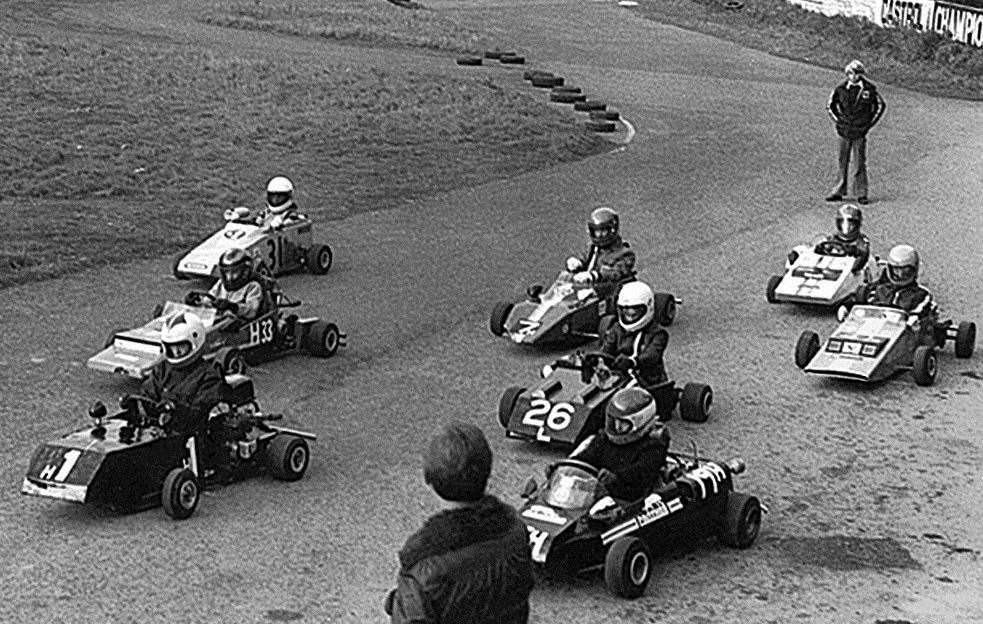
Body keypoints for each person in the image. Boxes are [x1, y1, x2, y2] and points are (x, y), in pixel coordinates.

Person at [385, 422, 534, 624]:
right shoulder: (515, 531)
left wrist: (400, 602)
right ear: (487, 472)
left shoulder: (421, 571)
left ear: (430, 481)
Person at [571, 387, 671, 502]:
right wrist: (568, 468)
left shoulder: (653, 446)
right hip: (602, 490)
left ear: (641, 421)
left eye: (622, 424)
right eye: (613, 422)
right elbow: (588, 457)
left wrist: (615, 478)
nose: (616, 428)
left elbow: (640, 474)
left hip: (630, 498)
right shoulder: (605, 439)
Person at [141, 311, 226, 436]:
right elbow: (148, 395)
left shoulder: (208, 377)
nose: (176, 353)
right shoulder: (162, 369)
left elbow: (199, 413)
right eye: (171, 348)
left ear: (195, 342)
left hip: (188, 436)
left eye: (180, 348)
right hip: (160, 430)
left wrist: (174, 408)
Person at [599, 280, 673, 416]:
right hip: (618, 374)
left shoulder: (658, 334)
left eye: (634, 312)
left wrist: (633, 362)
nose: (629, 315)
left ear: (648, 308)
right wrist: (600, 360)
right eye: (626, 311)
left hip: (646, 379)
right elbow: (606, 350)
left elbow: (652, 355)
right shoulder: (616, 329)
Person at [825, 60, 886, 205]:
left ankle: (861, 193)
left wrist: (869, 124)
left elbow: (880, 106)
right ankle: (839, 190)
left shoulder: (869, 89)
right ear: (847, 74)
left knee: (859, 163)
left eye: (857, 73)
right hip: (844, 130)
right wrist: (838, 122)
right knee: (842, 161)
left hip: (860, 131)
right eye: (851, 73)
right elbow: (830, 106)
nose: (853, 76)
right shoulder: (840, 89)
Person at [565, 207, 636, 293]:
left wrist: (595, 275)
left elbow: (616, 273)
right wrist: (577, 263)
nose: (599, 234)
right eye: (596, 231)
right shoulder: (592, 247)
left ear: (612, 230)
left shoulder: (625, 253)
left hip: (607, 294)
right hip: (585, 290)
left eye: (602, 230)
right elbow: (585, 258)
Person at [186, 248, 266, 322]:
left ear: (245, 271)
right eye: (226, 272)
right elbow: (210, 298)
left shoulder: (253, 287)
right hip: (221, 322)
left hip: (239, 325)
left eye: (234, 273)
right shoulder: (221, 284)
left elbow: (252, 310)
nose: (229, 277)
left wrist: (232, 307)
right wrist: (198, 300)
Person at [854, 244, 932, 318]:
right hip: (868, 329)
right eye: (896, 270)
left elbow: (920, 312)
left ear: (914, 270)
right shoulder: (873, 289)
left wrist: (914, 318)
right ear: (890, 268)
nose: (900, 274)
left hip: (902, 330)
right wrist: (844, 308)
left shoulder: (921, 295)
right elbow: (853, 300)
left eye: (905, 271)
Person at [817, 203, 870, 273]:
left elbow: (863, 255)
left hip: (850, 271)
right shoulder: (831, 238)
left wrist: (854, 250)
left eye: (851, 223)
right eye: (843, 222)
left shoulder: (861, 240)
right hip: (830, 268)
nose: (847, 226)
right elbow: (819, 249)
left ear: (858, 223)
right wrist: (821, 248)